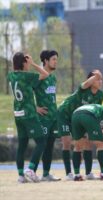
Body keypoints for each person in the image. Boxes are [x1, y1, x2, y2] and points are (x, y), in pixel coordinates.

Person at [7, 52, 49, 183]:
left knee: (22, 144)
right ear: (24, 62)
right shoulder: (26, 76)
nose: (28, 65)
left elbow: (23, 95)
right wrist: (34, 64)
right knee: (41, 142)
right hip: (29, 115)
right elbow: (45, 74)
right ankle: (31, 169)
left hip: (18, 114)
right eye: (27, 62)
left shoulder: (11, 76)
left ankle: (20, 175)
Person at [57, 70, 103, 180]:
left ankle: (88, 173)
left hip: (80, 118)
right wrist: (94, 76)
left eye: (101, 79)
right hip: (65, 114)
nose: (100, 81)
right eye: (97, 78)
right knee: (68, 142)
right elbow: (86, 83)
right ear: (90, 80)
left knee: (87, 142)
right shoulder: (83, 89)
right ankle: (69, 174)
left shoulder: (101, 96)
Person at [33, 50, 60, 181]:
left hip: (53, 118)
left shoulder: (53, 78)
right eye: (53, 59)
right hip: (43, 119)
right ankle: (31, 172)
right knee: (41, 145)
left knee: (49, 146)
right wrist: (34, 108)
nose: (56, 62)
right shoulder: (39, 76)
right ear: (45, 61)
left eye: (56, 59)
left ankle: (46, 174)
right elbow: (25, 92)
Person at [71, 104, 103, 181]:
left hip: (75, 115)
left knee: (78, 146)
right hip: (88, 115)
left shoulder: (100, 110)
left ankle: (77, 175)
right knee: (101, 145)